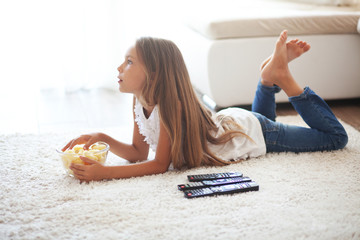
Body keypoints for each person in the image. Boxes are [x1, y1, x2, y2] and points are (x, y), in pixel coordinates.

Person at [63, 30, 348, 182]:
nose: (119, 67)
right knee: (259, 117)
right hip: (234, 123)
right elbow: (139, 153)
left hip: (254, 132)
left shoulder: (168, 106)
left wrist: (107, 174)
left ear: (155, 73)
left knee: (335, 138)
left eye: (129, 61)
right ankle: (266, 79)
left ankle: (284, 80)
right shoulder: (141, 101)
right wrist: (103, 139)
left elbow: (159, 165)